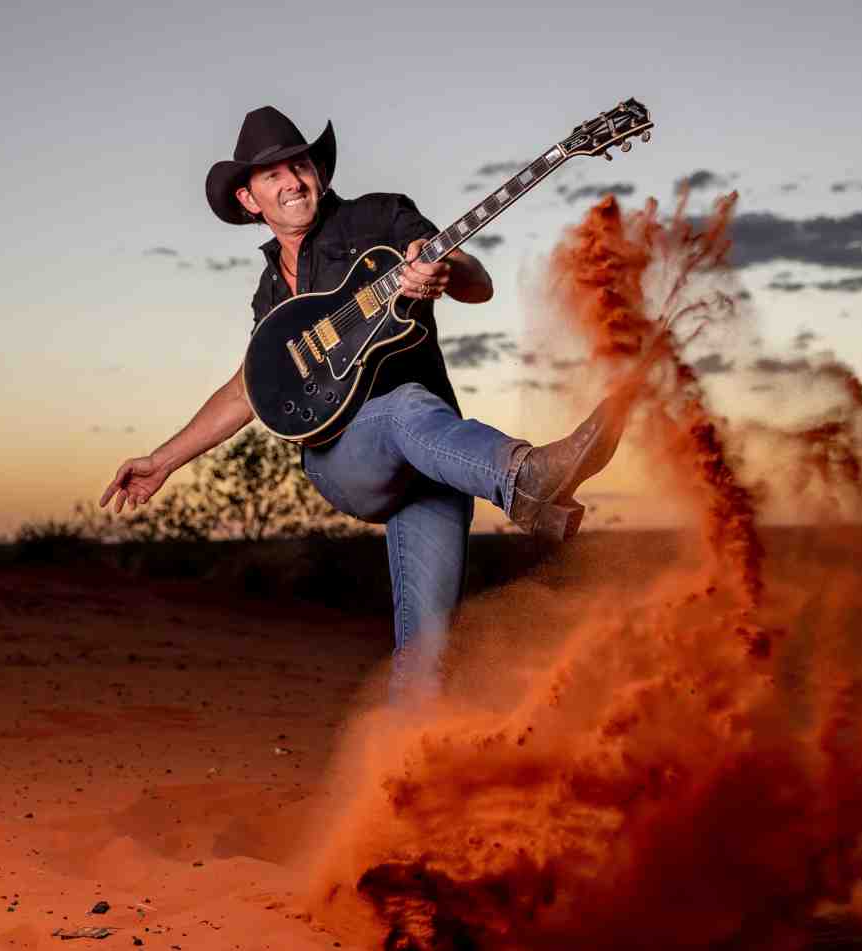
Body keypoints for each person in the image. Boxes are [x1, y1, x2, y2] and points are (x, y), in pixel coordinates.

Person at [100, 106, 625, 700]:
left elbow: (478, 285)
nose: (292, 180)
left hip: (436, 465)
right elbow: (249, 388)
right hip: (346, 459)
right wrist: (163, 460)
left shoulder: (376, 217)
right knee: (403, 406)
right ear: (250, 201)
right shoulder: (271, 294)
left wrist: (442, 264)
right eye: (273, 175)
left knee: (428, 658)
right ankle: (524, 476)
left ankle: (403, 777)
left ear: (317, 174)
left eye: (299, 165)